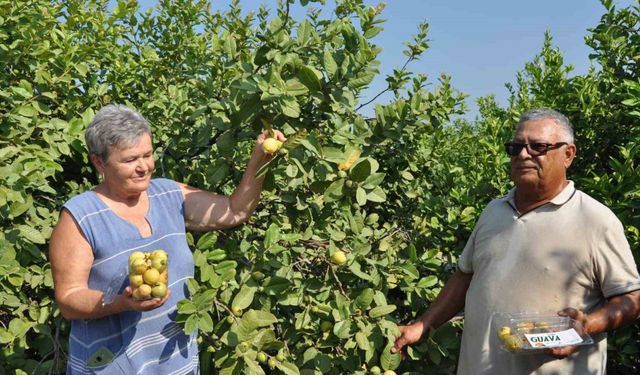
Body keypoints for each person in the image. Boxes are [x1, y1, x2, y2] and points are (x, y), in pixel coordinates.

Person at [392, 108, 640, 374]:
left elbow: (632, 298)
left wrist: (587, 325)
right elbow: (465, 276)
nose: (523, 154)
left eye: (538, 147)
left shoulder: (594, 219)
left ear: (568, 154)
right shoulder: (493, 212)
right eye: (516, 147)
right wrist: (424, 324)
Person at [49, 104, 285, 374]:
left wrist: (260, 160)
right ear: (99, 162)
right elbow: (68, 299)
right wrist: (120, 303)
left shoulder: (168, 195)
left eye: (147, 155)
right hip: (111, 367)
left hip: (175, 365)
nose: (143, 167)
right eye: (129, 160)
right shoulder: (81, 216)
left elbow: (234, 211)